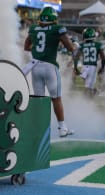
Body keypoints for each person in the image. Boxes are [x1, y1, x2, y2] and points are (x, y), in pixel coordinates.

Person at [23, 6, 75, 138]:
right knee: (56, 99)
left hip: (35, 67)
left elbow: (26, 47)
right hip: (50, 67)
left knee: (39, 99)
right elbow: (70, 48)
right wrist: (73, 46)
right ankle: (62, 127)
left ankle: (39, 129)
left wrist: (39, 50)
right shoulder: (57, 29)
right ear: (53, 19)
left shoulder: (33, 28)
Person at [74, 28, 105, 98]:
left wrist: (75, 67)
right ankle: (86, 101)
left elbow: (76, 57)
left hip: (84, 67)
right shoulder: (98, 44)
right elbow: (103, 57)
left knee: (88, 86)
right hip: (92, 67)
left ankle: (92, 94)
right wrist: (102, 67)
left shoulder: (81, 45)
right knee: (88, 88)